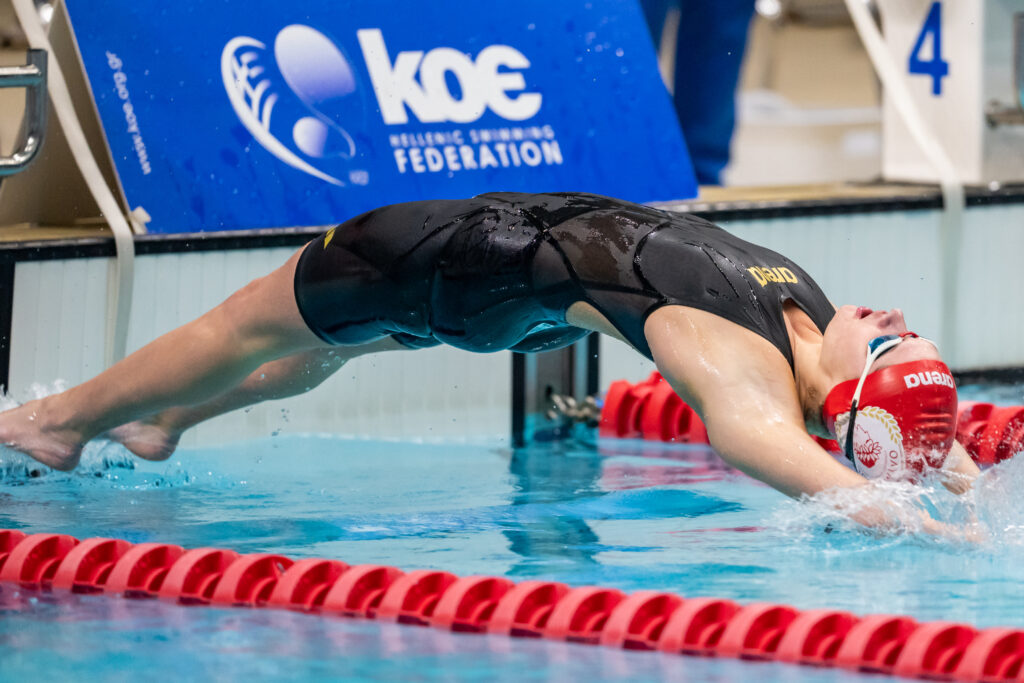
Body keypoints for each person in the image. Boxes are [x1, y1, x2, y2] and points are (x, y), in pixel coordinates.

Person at [0, 192, 979, 528]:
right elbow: (899, 428)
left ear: (845, 387)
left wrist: (909, 522)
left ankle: (56, 424)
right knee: (327, 344)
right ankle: (167, 418)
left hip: (452, 261)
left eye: (890, 339)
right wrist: (955, 478)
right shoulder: (815, 325)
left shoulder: (730, 355)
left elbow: (756, 440)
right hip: (521, 293)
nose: (894, 317)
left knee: (241, 325)